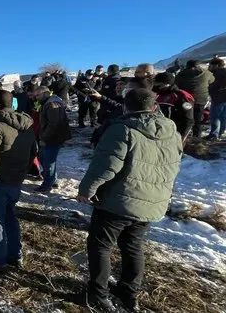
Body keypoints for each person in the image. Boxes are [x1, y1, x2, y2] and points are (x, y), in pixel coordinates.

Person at [77, 88, 182, 312]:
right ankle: (129, 293)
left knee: (101, 246)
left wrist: (87, 189)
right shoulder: (171, 130)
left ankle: (98, 294)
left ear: (125, 106)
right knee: (133, 246)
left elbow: (106, 166)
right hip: (152, 200)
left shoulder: (122, 129)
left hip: (119, 201)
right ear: (155, 107)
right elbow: (175, 162)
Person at [0, 90, 36, 271]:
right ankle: (15, 254)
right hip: (16, 180)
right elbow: (33, 153)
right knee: (11, 217)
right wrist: (22, 172)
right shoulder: (26, 126)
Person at [34, 87, 72, 192]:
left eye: (38, 95)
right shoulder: (49, 102)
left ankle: (47, 184)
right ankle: (52, 180)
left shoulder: (52, 104)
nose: (36, 98)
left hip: (53, 137)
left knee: (48, 161)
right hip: (53, 136)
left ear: (46, 93)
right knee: (43, 156)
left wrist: (44, 139)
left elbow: (53, 124)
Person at [175, 60, 214, 139]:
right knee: (198, 119)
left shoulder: (181, 74)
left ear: (187, 65)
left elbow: (176, 84)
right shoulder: (207, 73)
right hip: (201, 99)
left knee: (186, 119)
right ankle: (196, 137)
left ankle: (182, 137)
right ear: (198, 65)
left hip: (186, 100)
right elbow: (212, 81)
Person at [153, 72, 195, 141]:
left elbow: (188, 119)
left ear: (167, 84)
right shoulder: (158, 94)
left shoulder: (181, 96)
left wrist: (182, 139)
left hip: (175, 132)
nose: (155, 86)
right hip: (160, 132)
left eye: (159, 85)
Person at [207, 57, 226, 140]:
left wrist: (210, 88)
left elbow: (213, 84)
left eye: (211, 65)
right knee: (223, 116)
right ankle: (221, 132)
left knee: (215, 116)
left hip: (218, 97)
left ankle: (214, 134)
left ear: (216, 65)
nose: (209, 67)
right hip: (223, 98)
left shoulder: (216, 73)